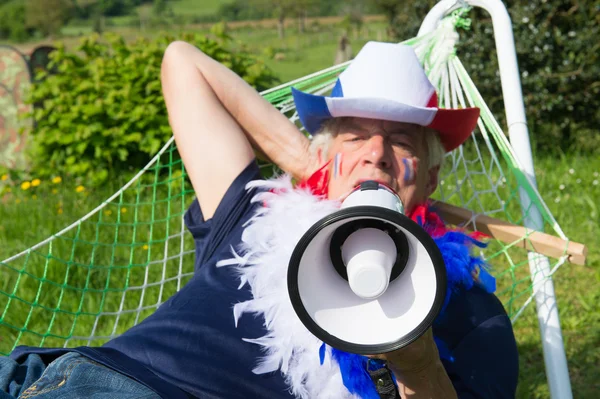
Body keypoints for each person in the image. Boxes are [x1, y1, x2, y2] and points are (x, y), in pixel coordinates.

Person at [0, 41, 518, 398]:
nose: (377, 153)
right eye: (354, 135)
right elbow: (183, 63)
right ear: (324, 156)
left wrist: (418, 366)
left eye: (401, 140)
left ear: (429, 178)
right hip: (75, 378)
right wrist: (303, 160)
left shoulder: (473, 310)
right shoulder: (253, 212)